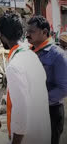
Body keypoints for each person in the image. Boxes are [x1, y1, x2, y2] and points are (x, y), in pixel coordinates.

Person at [0, 13, 51, 144]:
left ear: (2, 35)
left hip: (28, 137)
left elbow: (21, 109)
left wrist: (16, 141)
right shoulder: (31, 55)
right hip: (42, 130)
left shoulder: (14, 65)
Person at [26, 16, 67, 144]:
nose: (27, 35)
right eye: (27, 31)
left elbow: (64, 88)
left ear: (44, 32)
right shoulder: (30, 52)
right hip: (33, 111)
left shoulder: (58, 55)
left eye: (31, 31)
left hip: (51, 111)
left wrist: (40, 101)